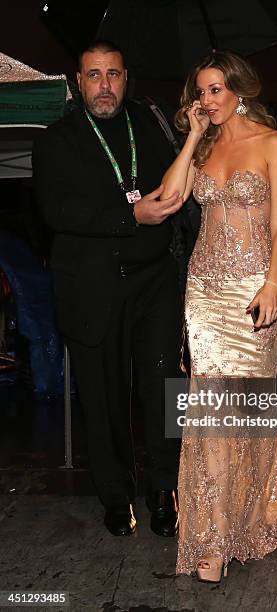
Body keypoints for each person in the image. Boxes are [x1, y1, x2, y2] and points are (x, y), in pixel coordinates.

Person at [32, 40, 184, 538]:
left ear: (126, 78)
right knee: (104, 398)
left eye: (113, 74)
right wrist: (130, 215)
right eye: (94, 75)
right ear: (79, 81)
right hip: (94, 289)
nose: (104, 85)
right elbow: (59, 213)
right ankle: (116, 496)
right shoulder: (57, 138)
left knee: (163, 391)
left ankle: (164, 492)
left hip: (156, 281)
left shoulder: (152, 124)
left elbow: (182, 181)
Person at [162, 51, 277, 581]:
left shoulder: (272, 143)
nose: (208, 100)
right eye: (201, 91)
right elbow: (171, 198)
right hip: (205, 292)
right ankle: (212, 540)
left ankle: (255, 519)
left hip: (254, 291)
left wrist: (272, 283)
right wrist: (192, 137)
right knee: (211, 416)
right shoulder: (205, 146)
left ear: (239, 90)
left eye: (216, 90)